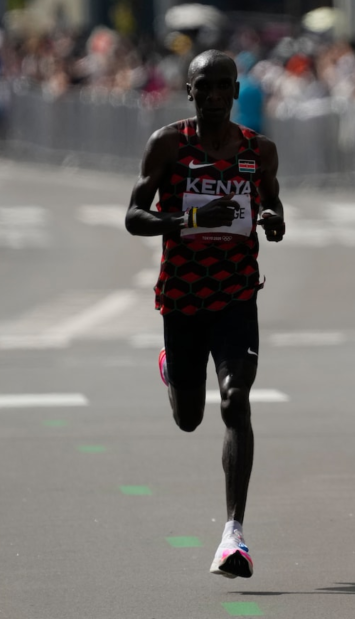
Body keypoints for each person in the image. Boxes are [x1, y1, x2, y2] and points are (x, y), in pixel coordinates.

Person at [124, 50, 287, 579]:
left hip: (238, 295)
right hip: (184, 297)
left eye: (224, 86)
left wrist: (272, 218)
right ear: (189, 92)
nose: (215, 95)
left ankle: (233, 534)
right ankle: (174, 365)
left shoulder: (257, 150)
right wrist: (190, 217)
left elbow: (274, 206)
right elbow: (133, 216)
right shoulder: (169, 144)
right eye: (204, 87)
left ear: (237, 91)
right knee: (189, 418)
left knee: (236, 400)